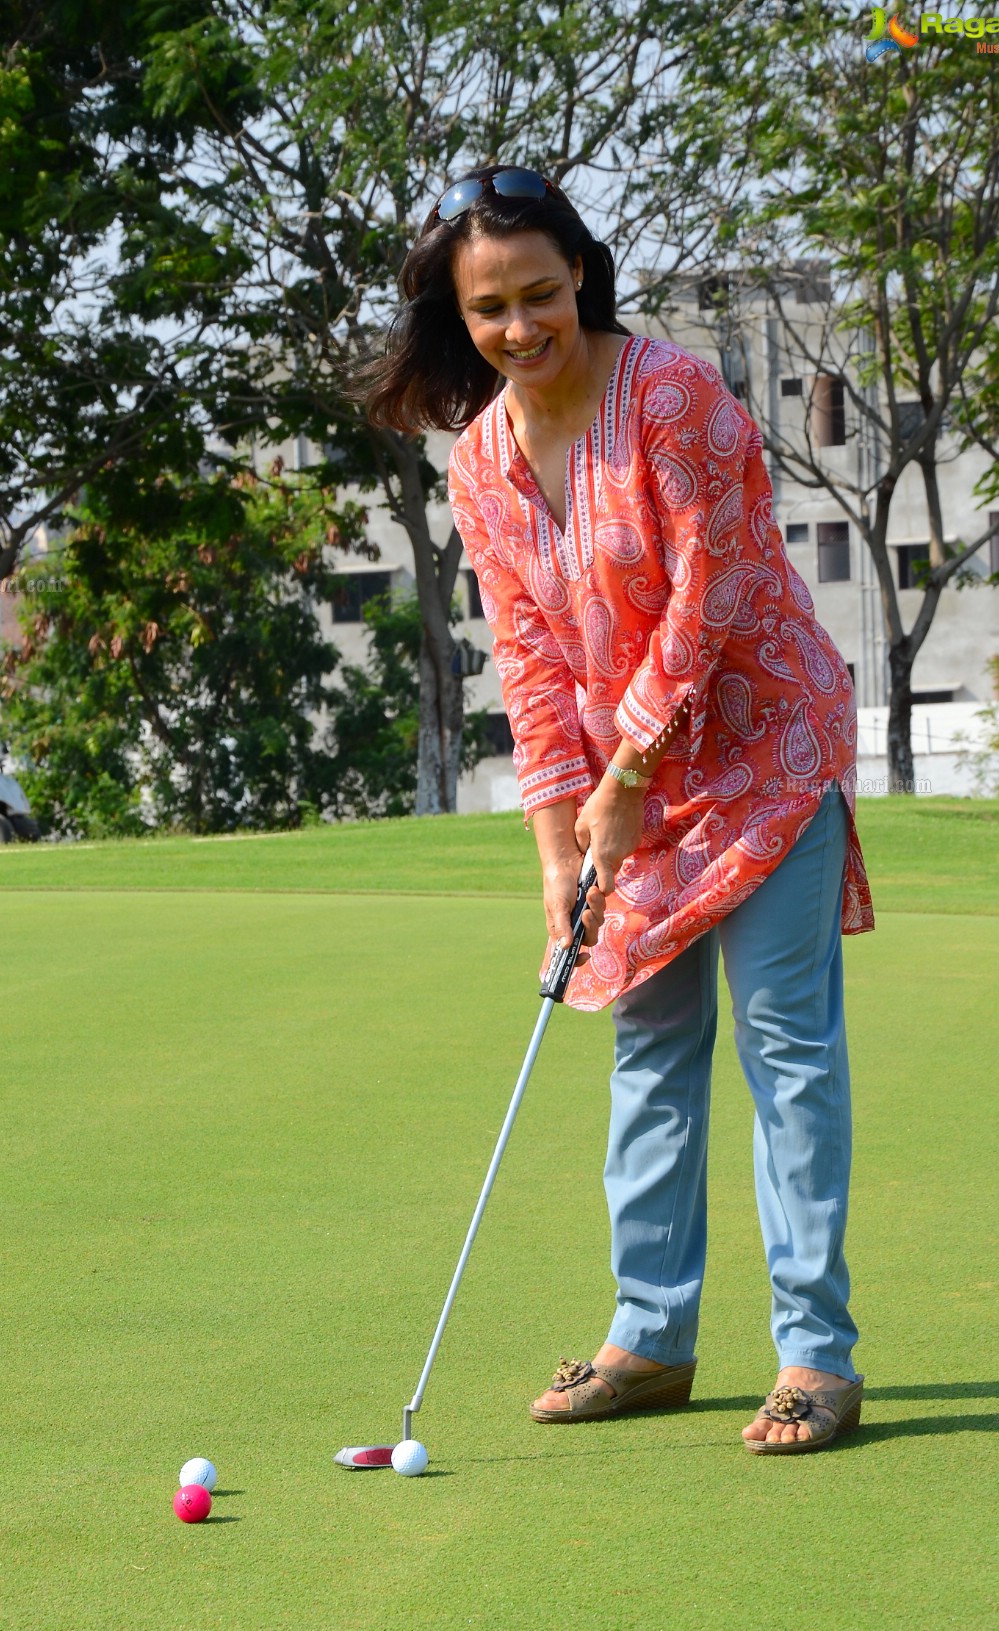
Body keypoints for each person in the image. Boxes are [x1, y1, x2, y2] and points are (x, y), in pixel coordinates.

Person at [360, 166, 876, 1453]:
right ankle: (650, 1334)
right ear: (458, 315)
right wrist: (552, 853)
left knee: (784, 1050)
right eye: (490, 309)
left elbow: (711, 599)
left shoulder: (672, 398)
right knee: (647, 1044)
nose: (520, 327)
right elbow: (531, 668)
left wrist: (628, 772)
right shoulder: (478, 459)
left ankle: (815, 1356)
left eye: (539, 294)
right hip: (617, 792)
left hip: (759, 754)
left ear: (579, 272)